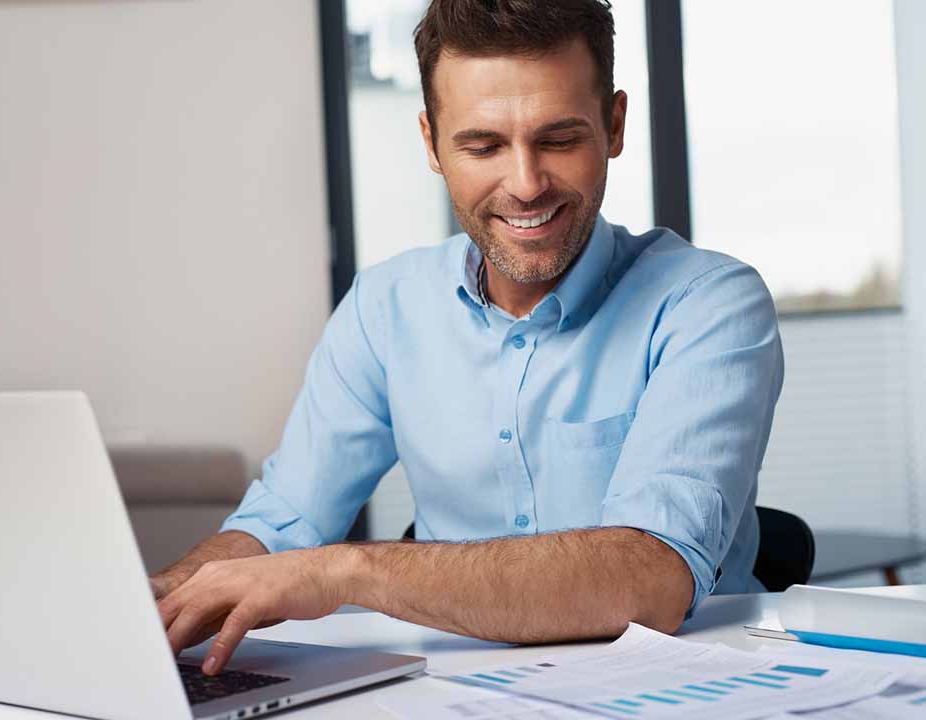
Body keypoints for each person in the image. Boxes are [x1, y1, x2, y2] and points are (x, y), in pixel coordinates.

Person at [154, 0, 783, 676]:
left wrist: (347, 571)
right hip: (455, 693)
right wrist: (158, 602)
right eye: (483, 146)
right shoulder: (384, 307)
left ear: (615, 124)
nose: (526, 184)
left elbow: (648, 578)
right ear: (430, 142)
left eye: (559, 139)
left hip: (679, 690)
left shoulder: (707, 303)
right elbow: (281, 524)